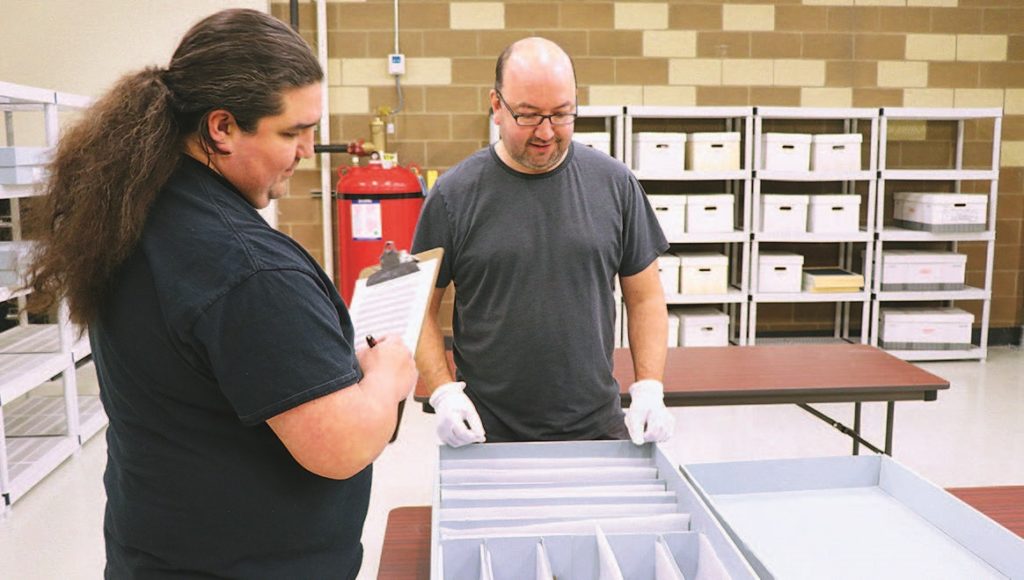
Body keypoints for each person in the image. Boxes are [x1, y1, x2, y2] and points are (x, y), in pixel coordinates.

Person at [25, 9, 416, 579]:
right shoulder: (248, 268)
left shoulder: (137, 211)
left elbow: (223, 368)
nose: (308, 150)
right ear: (222, 127)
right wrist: (389, 374)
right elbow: (342, 446)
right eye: (292, 132)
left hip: (160, 550)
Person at [412, 37, 674, 447]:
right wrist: (443, 392)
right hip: (486, 431)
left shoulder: (614, 184)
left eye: (561, 114)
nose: (546, 133)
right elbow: (419, 308)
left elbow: (645, 299)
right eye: (529, 116)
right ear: (496, 106)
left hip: (596, 427)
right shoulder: (453, 195)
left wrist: (649, 389)